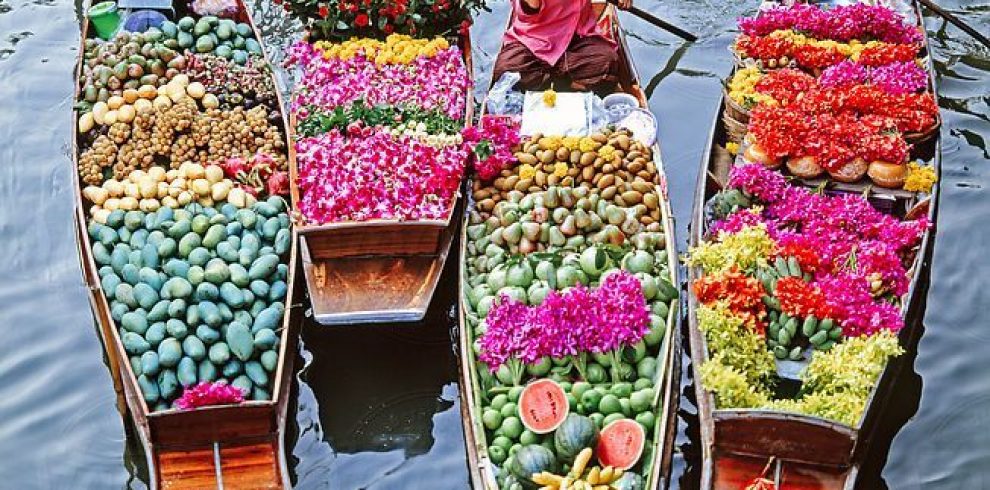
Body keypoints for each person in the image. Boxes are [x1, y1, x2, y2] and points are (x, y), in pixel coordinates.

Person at [492, 0, 633, 94]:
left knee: (608, 62)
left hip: (577, 37)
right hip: (533, 39)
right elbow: (525, 13)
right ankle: (566, 83)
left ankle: (550, 82)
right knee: (506, 71)